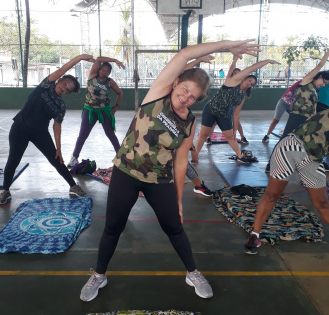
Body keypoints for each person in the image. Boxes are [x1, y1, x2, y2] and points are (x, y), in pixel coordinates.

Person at [79, 39, 260, 302]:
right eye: (184, 89)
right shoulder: (158, 94)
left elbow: (180, 162)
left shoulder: (189, 123)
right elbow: (185, 54)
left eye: (193, 96)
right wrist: (226, 46)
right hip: (125, 174)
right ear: (176, 82)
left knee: (174, 227)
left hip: (158, 180)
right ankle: (99, 275)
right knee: (112, 227)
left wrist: (177, 200)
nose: (185, 97)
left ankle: (193, 272)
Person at [0, 54, 93, 205]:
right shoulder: (46, 85)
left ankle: (73, 186)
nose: (64, 88)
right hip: (19, 129)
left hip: (40, 133)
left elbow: (57, 126)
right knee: (13, 160)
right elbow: (63, 69)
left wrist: (59, 148)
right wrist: (80, 58)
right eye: (65, 83)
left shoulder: (61, 106)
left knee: (57, 159)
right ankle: (5, 190)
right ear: (60, 79)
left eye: (67, 89)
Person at [244, 109, 329, 255]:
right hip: (291, 147)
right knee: (271, 195)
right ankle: (254, 235)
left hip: (310, 157)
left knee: (322, 203)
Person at [195, 58, 280, 163]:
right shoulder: (232, 82)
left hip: (224, 114)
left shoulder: (241, 97)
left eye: (252, 84)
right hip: (211, 110)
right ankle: (195, 156)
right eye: (249, 81)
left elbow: (236, 114)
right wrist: (267, 61)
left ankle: (240, 156)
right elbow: (251, 68)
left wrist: (235, 129)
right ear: (245, 78)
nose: (249, 84)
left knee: (230, 137)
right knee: (203, 135)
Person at [68, 57, 125, 167]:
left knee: (110, 134)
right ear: (99, 70)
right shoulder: (93, 75)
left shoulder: (110, 82)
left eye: (107, 71)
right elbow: (98, 58)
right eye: (103, 70)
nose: (104, 72)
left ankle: (120, 157)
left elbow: (120, 93)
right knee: (83, 134)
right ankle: (74, 157)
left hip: (104, 110)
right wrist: (115, 60)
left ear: (109, 73)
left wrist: (116, 106)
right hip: (89, 110)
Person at [206, 55, 248, 145]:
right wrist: (236, 58)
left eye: (238, 74)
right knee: (214, 122)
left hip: (231, 107)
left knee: (236, 120)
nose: (236, 75)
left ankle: (242, 137)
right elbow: (231, 67)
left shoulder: (241, 86)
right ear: (232, 75)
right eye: (235, 73)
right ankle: (209, 138)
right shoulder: (229, 81)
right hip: (221, 107)